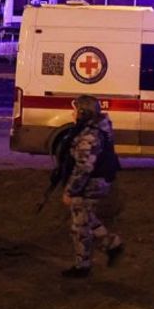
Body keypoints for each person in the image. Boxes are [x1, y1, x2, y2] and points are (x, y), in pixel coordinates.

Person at [61, 95, 124, 278]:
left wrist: (70, 191)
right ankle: (112, 245)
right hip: (99, 180)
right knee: (87, 217)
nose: (72, 113)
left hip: (91, 184)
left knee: (79, 226)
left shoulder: (89, 135)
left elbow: (83, 167)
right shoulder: (97, 127)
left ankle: (82, 265)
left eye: (75, 110)